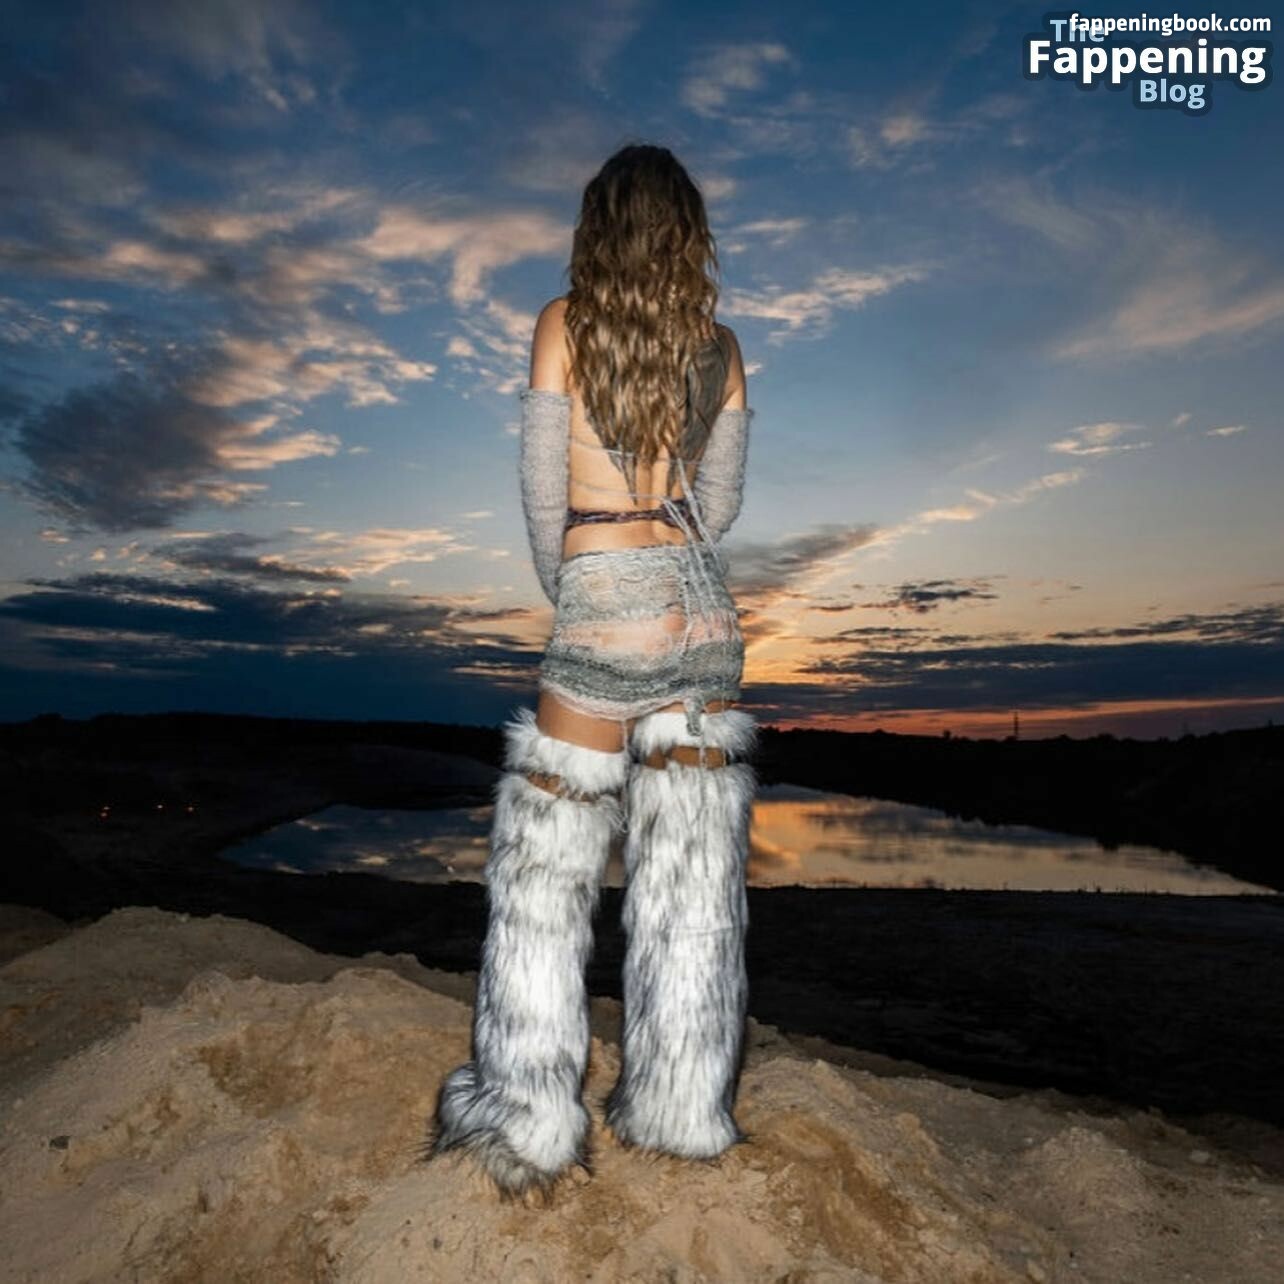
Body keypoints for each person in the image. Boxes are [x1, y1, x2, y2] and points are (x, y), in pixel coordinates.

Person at [427, 143, 758, 1202]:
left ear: (598, 226)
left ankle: (526, 1116)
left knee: (548, 871)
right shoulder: (723, 349)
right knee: (690, 878)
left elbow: (542, 501)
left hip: (603, 598)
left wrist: (582, 591)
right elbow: (722, 506)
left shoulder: (561, 325)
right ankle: (683, 1110)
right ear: (689, 235)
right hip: (700, 616)